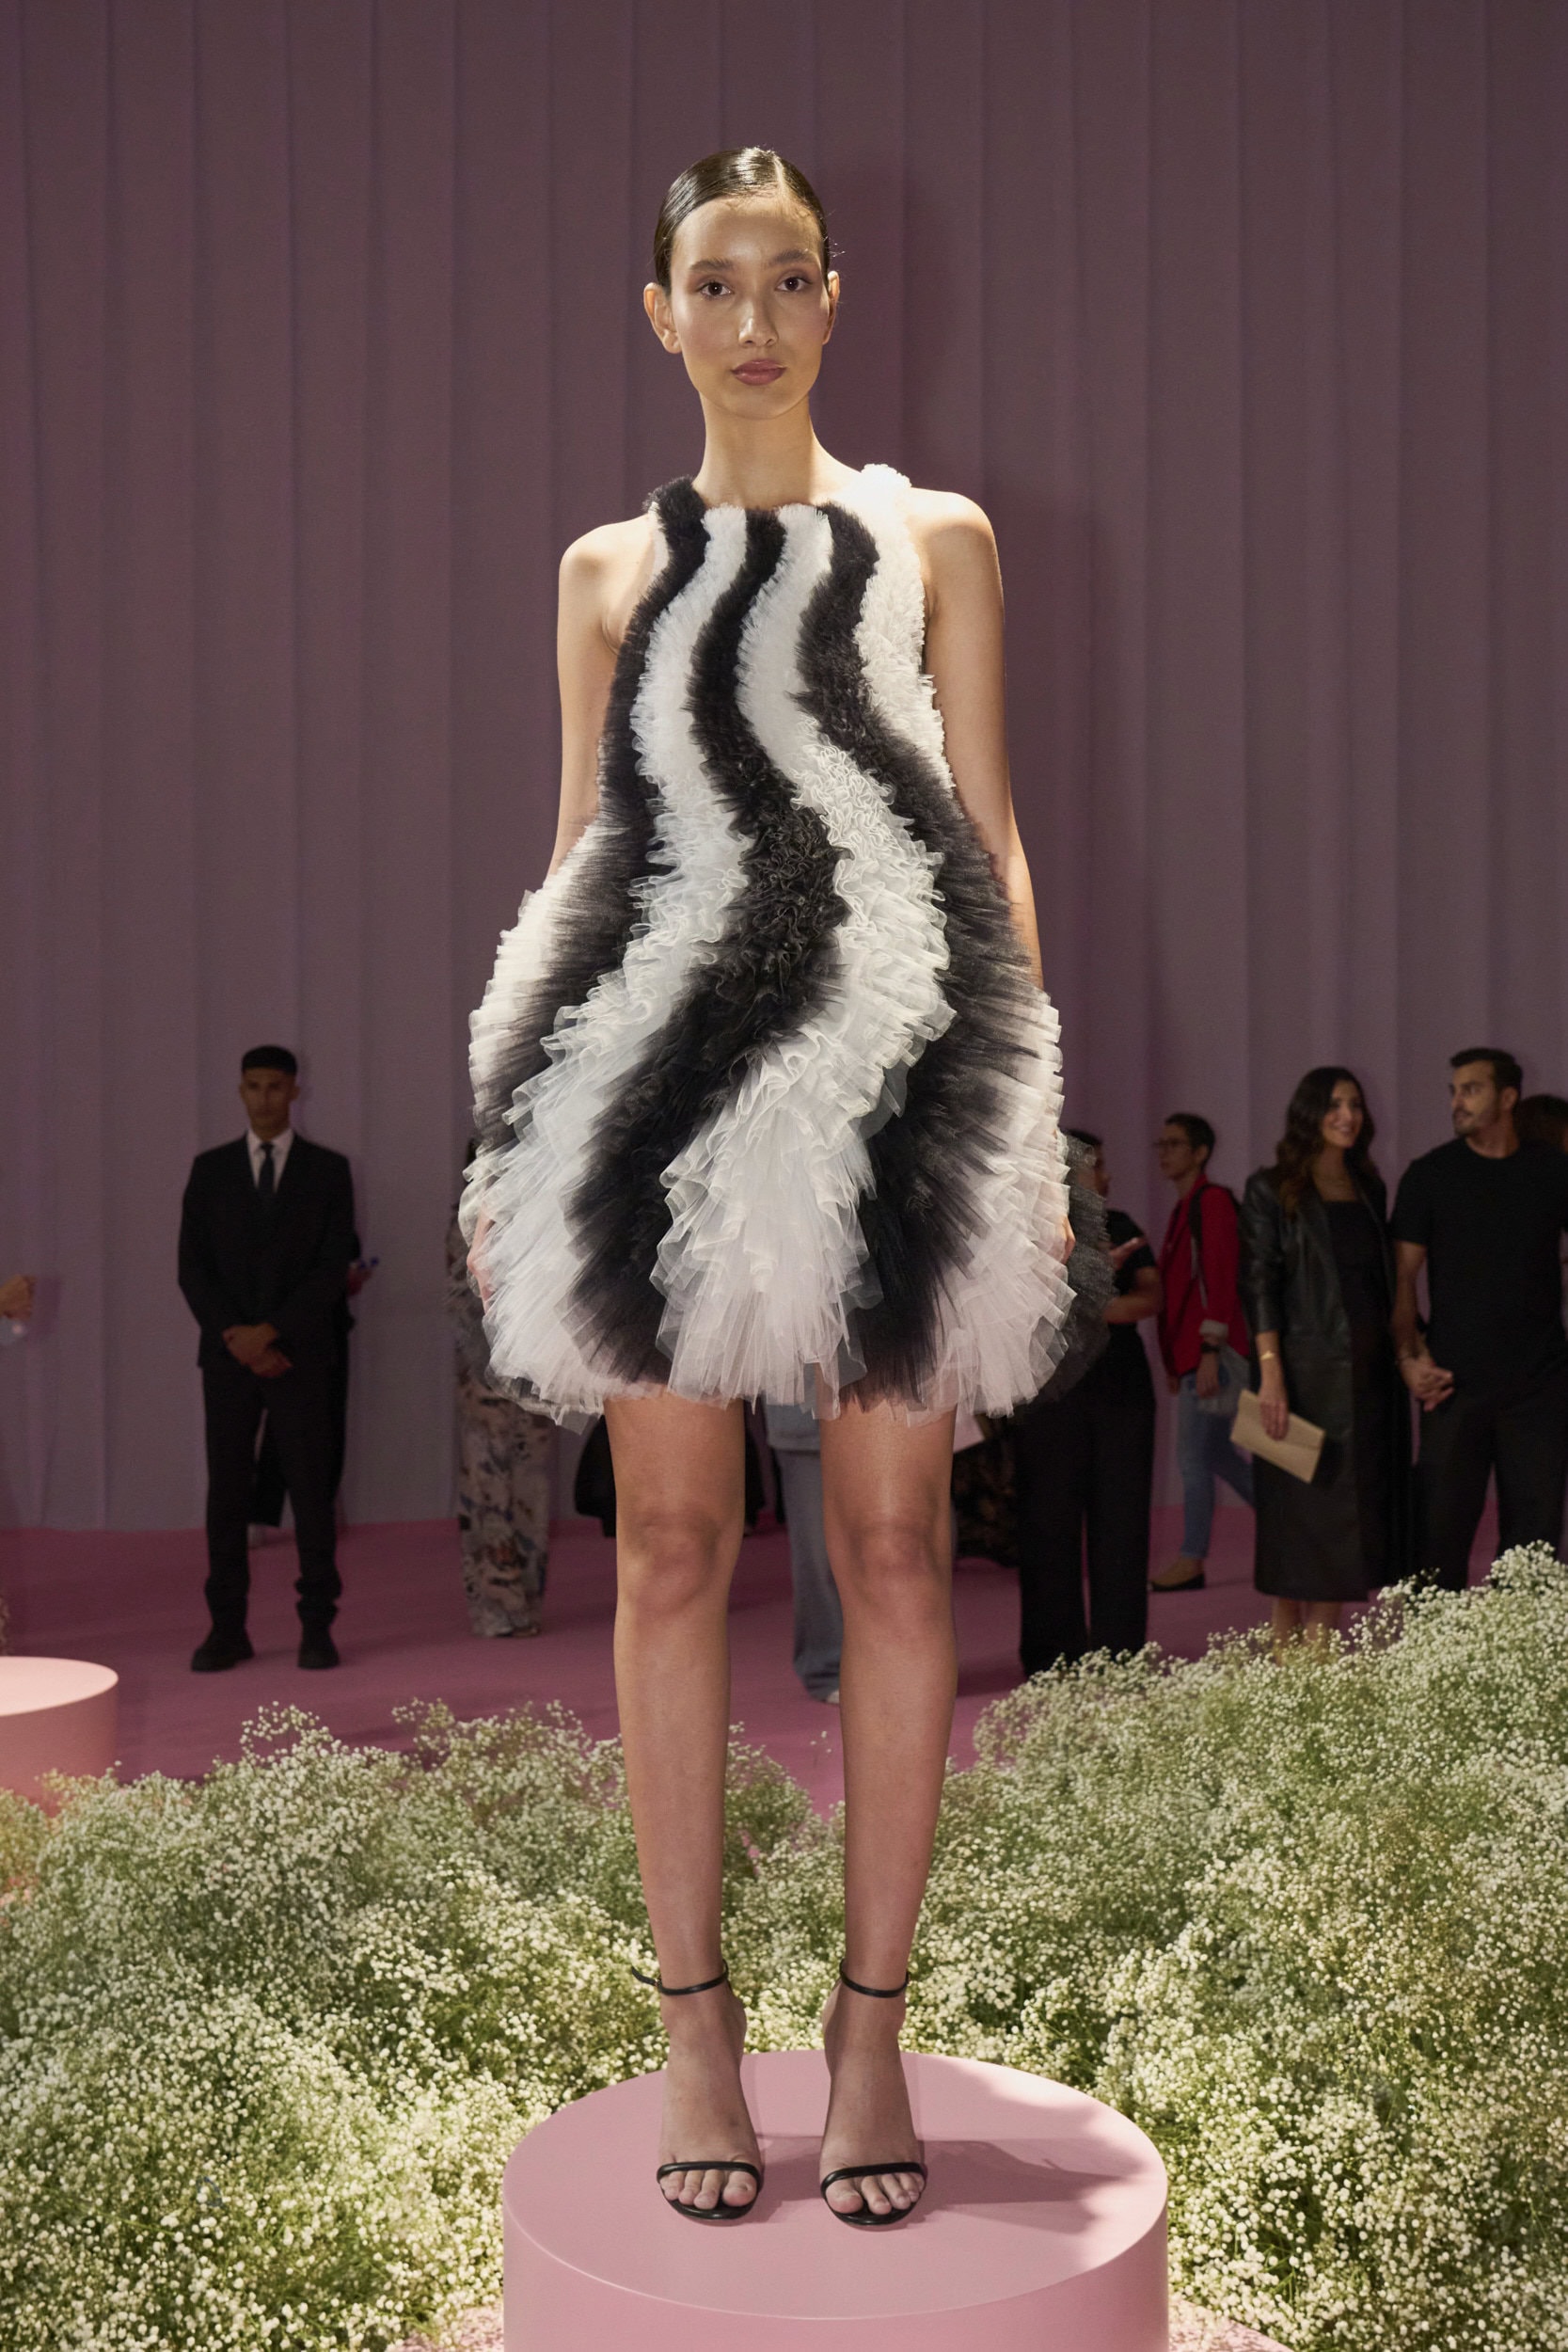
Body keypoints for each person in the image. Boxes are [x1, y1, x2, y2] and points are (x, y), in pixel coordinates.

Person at [462, 148, 1070, 2228]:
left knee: (895, 1554)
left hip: (891, 1073)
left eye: (786, 279)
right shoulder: (600, 571)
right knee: (664, 1546)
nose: (752, 319)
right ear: (659, 312)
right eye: (712, 284)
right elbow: (577, 851)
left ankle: (869, 2028)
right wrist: (516, 1128)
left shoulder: (933, 539)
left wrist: (1021, 1122)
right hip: (651, 1078)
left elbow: (989, 839)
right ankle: (695, 2028)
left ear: (832, 298)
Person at [178, 1046, 356, 1670]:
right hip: (228, 1358)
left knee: (310, 1491)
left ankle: (317, 1626)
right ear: (240, 1091)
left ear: (294, 1091)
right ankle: (226, 1628)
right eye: (253, 1086)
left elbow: (331, 1268)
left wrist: (273, 1333)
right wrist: (239, 1337)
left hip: (299, 1356)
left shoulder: (328, 1170)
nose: (263, 1098)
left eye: (275, 1086)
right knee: (227, 1493)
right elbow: (192, 1269)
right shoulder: (210, 1170)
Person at [1241, 1069, 1410, 1644]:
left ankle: (1314, 1649)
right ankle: (1291, 1647)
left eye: (1355, 1104)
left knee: (1349, 1521)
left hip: (1368, 1380)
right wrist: (1271, 1374)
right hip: (1301, 1381)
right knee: (1299, 1521)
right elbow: (1258, 1284)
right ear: (1310, 1113)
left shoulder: (1369, 1187)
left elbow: (1378, 1284)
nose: (1348, 1115)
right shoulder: (1270, 1188)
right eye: (1335, 1104)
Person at [1391, 1048, 1568, 1589]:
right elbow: (1402, 1282)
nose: (1457, 1102)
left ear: (1508, 1097)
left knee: (1534, 1543)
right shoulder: (1430, 1175)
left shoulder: (1552, 1171)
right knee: (1437, 1536)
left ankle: (1524, 1641)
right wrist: (1408, 1358)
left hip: (1539, 1385)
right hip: (1453, 1383)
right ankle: (1430, 1642)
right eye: (1454, 1091)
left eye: (1471, 1090)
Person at [1011, 1129, 1160, 1673]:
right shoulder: (1027, 1232)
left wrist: (1089, 1299)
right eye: (1096, 1165)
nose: (1107, 1176)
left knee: (1123, 1522)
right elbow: (1024, 1305)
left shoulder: (1122, 1226)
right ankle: (1053, 1657)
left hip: (1122, 1391)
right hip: (1050, 1392)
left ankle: (1121, 1654)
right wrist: (1096, 1289)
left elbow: (1150, 1298)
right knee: (1047, 1523)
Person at [445, 1171, 549, 1638]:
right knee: (486, 1487)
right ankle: (494, 1603)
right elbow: (460, 1298)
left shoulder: (540, 1210)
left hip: (532, 1377)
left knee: (529, 1488)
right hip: (485, 1380)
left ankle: (524, 1601)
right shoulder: (467, 1219)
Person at [1153, 1113, 1254, 1591]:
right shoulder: (1187, 1207)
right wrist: (1176, 1361)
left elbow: (1220, 1274)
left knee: (1194, 1457)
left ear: (1200, 1153)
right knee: (1216, 1454)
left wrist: (1209, 1349)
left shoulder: (1209, 1203)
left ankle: (1191, 1559)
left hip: (1210, 1353)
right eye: (1162, 1143)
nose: (1164, 1152)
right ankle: (1294, 1524)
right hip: (1196, 1354)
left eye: (1175, 1144)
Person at [765, 1384, 844, 1702]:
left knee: (905, 1540)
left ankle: (907, 1660)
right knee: (817, 1546)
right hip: (801, 1398)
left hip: (900, 1386)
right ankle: (830, 1663)